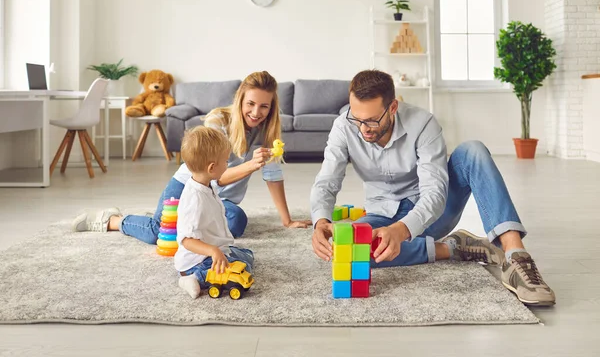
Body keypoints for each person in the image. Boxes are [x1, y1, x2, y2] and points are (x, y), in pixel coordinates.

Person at [310, 69, 555, 306]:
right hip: (381, 215)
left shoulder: (423, 123)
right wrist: (320, 222)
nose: (363, 128)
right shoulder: (344, 126)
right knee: (349, 253)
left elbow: (435, 193)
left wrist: (402, 230)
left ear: (392, 107)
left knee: (473, 151)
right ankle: (453, 248)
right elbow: (327, 180)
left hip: (431, 215)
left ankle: (516, 257)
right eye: (357, 118)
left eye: (372, 120)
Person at [73, 71, 310, 242]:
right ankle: (113, 220)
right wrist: (249, 166)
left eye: (264, 106)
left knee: (236, 222)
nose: (256, 113)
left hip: (219, 200)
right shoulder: (218, 121)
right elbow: (213, 176)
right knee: (160, 233)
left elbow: (273, 175)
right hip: (188, 186)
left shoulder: (267, 129)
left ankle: (176, 219)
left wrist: (287, 220)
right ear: (240, 99)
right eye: (251, 104)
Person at [174, 126, 254, 299]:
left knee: (247, 257)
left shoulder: (206, 184)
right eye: (226, 161)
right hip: (196, 260)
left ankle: (219, 259)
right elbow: (186, 240)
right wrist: (213, 251)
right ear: (211, 168)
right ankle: (192, 278)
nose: (228, 164)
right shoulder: (194, 200)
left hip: (215, 249)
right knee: (241, 268)